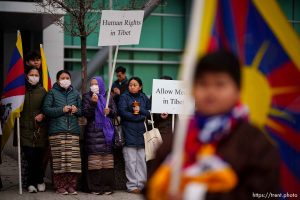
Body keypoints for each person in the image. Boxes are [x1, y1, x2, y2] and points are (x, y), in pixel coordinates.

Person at [146, 51, 280, 200]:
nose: (210, 91)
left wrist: (194, 195)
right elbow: (151, 183)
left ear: (237, 90)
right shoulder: (179, 135)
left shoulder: (255, 142)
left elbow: (262, 193)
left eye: (220, 84)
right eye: (203, 83)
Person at [43, 70, 82, 195]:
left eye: (67, 77)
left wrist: (77, 110)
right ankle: (60, 186)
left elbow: (82, 111)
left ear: (70, 79)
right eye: (62, 77)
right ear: (57, 80)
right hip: (57, 131)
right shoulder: (52, 92)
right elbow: (46, 110)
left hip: (73, 131)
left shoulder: (75, 93)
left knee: (72, 160)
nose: (65, 79)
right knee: (59, 159)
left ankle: (71, 186)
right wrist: (62, 109)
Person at [82, 77, 117, 195]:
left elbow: (115, 112)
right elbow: (86, 113)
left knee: (107, 162)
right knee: (94, 162)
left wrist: (110, 112)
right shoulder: (87, 96)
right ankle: (95, 187)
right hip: (93, 132)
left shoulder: (108, 97)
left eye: (96, 84)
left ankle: (107, 187)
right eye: (91, 84)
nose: (94, 86)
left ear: (101, 84)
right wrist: (93, 103)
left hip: (107, 133)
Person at [118, 77, 151, 194]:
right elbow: (122, 112)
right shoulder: (124, 97)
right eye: (130, 85)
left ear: (140, 87)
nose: (132, 86)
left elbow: (149, 112)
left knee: (142, 161)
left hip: (142, 132)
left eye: (135, 85)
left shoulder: (144, 97)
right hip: (128, 132)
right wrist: (137, 116)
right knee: (130, 161)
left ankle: (142, 185)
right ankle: (132, 186)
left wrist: (140, 111)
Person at [19, 66, 48, 193]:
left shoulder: (43, 91)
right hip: (25, 129)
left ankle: (39, 180)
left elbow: (47, 107)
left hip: (39, 129)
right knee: (29, 157)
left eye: (36, 75)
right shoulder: (21, 91)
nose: (34, 77)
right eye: (32, 74)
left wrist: (43, 114)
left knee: (38, 157)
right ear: (26, 75)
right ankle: (31, 183)